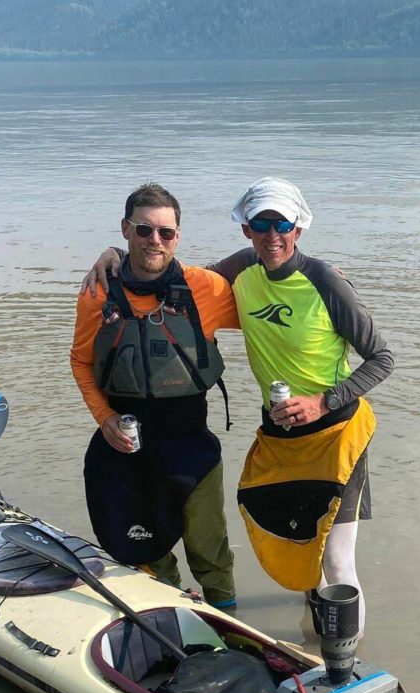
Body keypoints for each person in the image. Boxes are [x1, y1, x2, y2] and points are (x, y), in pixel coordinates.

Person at [86, 177, 393, 625]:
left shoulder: (325, 281)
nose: (272, 236)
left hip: (338, 430)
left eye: (282, 224)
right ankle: (311, 641)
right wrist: (113, 255)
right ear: (246, 229)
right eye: (261, 224)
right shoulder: (242, 269)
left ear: (298, 229)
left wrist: (324, 402)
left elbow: (382, 358)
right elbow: (168, 271)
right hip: (282, 435)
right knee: (302, 551)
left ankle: (345, 669)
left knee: (337, 563)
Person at [71, 183, 240, 610]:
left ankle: (234, 633)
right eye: (144, 231)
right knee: (145, 552)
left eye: (166, 233)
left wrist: (319, 277)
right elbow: (81, 362)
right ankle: (169, 614)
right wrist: (104, 418)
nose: (155, 241)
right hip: (127, 450)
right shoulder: (97, 292)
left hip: (191, 448)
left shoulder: (207, 287)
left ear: (178, 236)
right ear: (126, 229)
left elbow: (267, 286)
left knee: (211, 553)